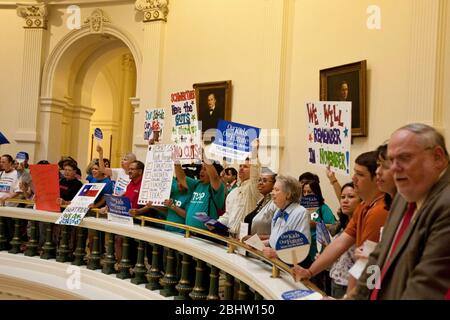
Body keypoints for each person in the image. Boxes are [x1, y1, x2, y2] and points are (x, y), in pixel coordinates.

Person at [350, 123, 450, 300]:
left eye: (404, 158)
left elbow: (426, 286)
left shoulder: (445, 205)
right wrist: (359, 297)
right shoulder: (403, 196)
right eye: (391, 160)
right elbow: (378, 259)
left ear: (438, 157)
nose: (395, 168)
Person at [291, 151, 389, 291]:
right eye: (354, 173)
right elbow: (340, 242)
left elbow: (367, 263)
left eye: (360, 174)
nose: (354, 178)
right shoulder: (364, 207)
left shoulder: (379, 211)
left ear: (377, 178)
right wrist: (310, 271)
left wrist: (349, 296)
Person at [261, 175, 311, 261]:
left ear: (288, 195)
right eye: (273, 189)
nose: (272, 193)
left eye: (276, 190)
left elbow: (302, 248)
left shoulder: (300, 212)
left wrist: (275, 253)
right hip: (274, 263)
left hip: (290, 266)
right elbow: (275, 240)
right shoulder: (278, 211)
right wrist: (259, 244)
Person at [175, 154, 225, 232]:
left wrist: (203, 156)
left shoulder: (218, 187)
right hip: (190, 232)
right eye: (201, 169)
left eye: (205, 169)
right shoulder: (197, 184)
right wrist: (176, 160)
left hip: (206, 234)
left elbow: (214, 177)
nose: (201, 171)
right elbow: (181, 177)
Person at [328, 182, 361, 298]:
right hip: (335, 280)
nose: (345, 201)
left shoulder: (363, 225)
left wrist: (333, 180)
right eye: (342, 197)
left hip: (349, 285)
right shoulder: (342, 224)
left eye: (351, 197)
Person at [243, 168, 278, 238]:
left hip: (264, 247)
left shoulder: (276, 204)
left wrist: (254, 238)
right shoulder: (260, 201)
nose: (260, 183)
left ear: (274, 184)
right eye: (259, 180)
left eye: (264, 181)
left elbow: (277, 234)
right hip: (251, 245)